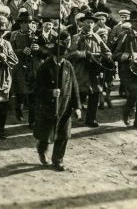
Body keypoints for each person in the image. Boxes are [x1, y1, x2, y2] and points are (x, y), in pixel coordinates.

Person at [33, 33, 81, 171]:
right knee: (46, 134)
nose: (61, 59)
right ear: (53, 55)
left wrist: (77, 106)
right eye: (58, 56)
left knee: (64, 134)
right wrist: (50, 92)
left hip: (65, 106)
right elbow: (36, 89)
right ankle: (42, 150)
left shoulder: (68, 65)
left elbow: (74, 86)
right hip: (48, 107)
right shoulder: (45, 67)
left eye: (63, 56)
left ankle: (58, 160)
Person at [68, 11, 112, 127]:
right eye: (87, 22)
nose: (90, 25)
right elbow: (72, 53)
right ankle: (73, 117)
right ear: (82, 23)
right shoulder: (76, 37)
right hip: (81, 70)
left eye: (92, 22)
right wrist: (85, 54)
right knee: (78, 94)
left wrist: (106, 55)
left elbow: (106, 50)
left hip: (94, 70)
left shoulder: (97, 37)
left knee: (96, 93)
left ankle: (91, 119)